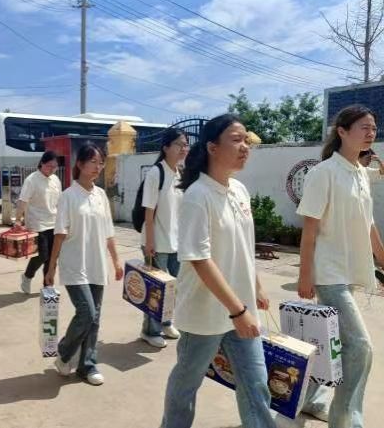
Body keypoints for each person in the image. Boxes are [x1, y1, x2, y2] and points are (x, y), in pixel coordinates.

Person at [161, 114, 275, 428]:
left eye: (246, 140)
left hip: (241, 309)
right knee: (186, 384)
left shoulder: (239, 190)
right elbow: (199, 259)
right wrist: (237, 310)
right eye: (236, 140)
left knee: (257, 384)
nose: (245, 147)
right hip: (205, 314)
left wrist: (256, 287)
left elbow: (243, 247)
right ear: (212, 147)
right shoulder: (197, 195)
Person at [297, 105, 383, 427]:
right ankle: (346, 420)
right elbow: (309, 230)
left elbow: (368, 223)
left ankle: (309, 400)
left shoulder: (359, 172)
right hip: (329, 273)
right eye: (364, 127)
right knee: (359, 347)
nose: (371, 132)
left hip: (349, 273)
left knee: (330, 345)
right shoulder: (323, 173)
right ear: (342, 132)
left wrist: (382, 259)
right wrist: (305, 275)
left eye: (373, 127)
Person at [46, 143, 123, 386]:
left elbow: (108, 232)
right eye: (93, 162)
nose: (98, 167)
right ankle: (64, 351)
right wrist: (51, 266)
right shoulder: (68, 196)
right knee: (87, 312)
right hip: (74, 264)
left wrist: (116, 260)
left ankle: (87, 366)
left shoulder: (100, 195)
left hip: (96, 264)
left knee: (95, 318)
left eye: (101, 163)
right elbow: (59, 234)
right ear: (79, 164)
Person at [140, 128, 189, 348]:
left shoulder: (180, 173)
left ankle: (167, 322)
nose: (184, 148)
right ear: (166, 147)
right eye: (179, 144)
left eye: (186, 144)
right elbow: (149, 212)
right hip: (157, 241)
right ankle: (150, 331)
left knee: (175, 287)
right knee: (156, 290)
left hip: (176, 242)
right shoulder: (156, 173)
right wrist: (150, 242)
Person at [16, 151, 61, 293]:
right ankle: (27, 276)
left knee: (52, 257)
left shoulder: (55, 180)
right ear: (42, 163)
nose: (52, 169)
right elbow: (23, 201)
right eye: (49, 166)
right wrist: (18, 220)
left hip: (54, 222)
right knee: (42, 255)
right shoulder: (32, 180)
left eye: (54, 167)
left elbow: (59, 202)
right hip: (37, 223)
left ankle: (48, 286)